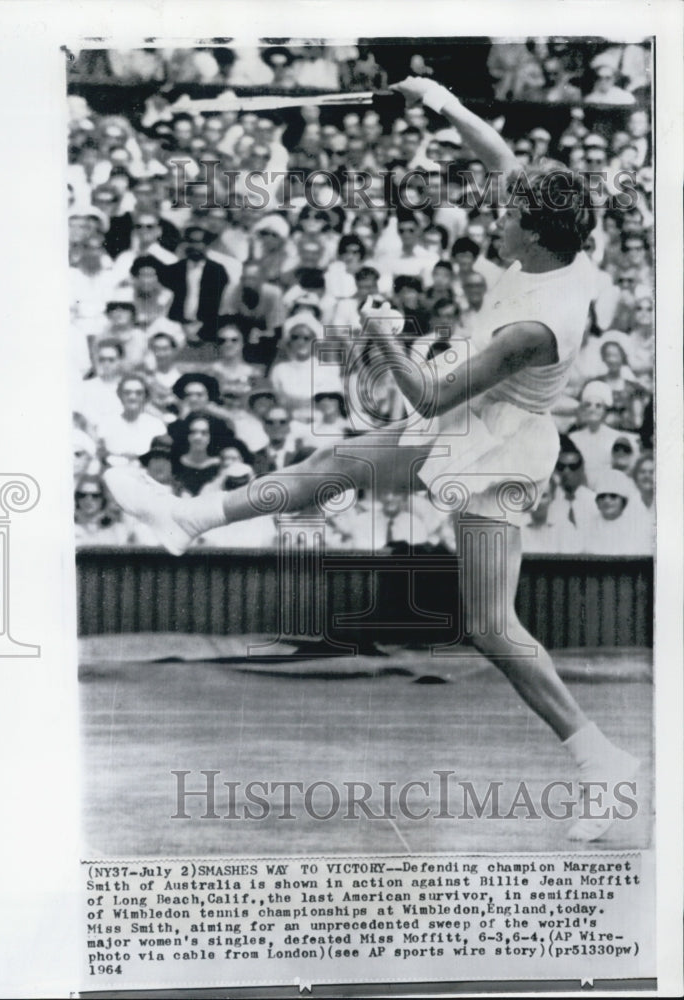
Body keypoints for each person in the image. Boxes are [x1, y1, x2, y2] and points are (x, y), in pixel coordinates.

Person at [105, 74, 639, 842]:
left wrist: (383, 329)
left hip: (496, 448)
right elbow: (499, 157)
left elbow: (427, 398)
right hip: (473, 425)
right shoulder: (563, 254)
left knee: (491, 628)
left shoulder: (536, 326)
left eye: (507, 214)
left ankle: (603, 764)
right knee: (336, 463)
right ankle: (190, 515)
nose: (494, 215)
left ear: (533, 231)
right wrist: (445, 101)